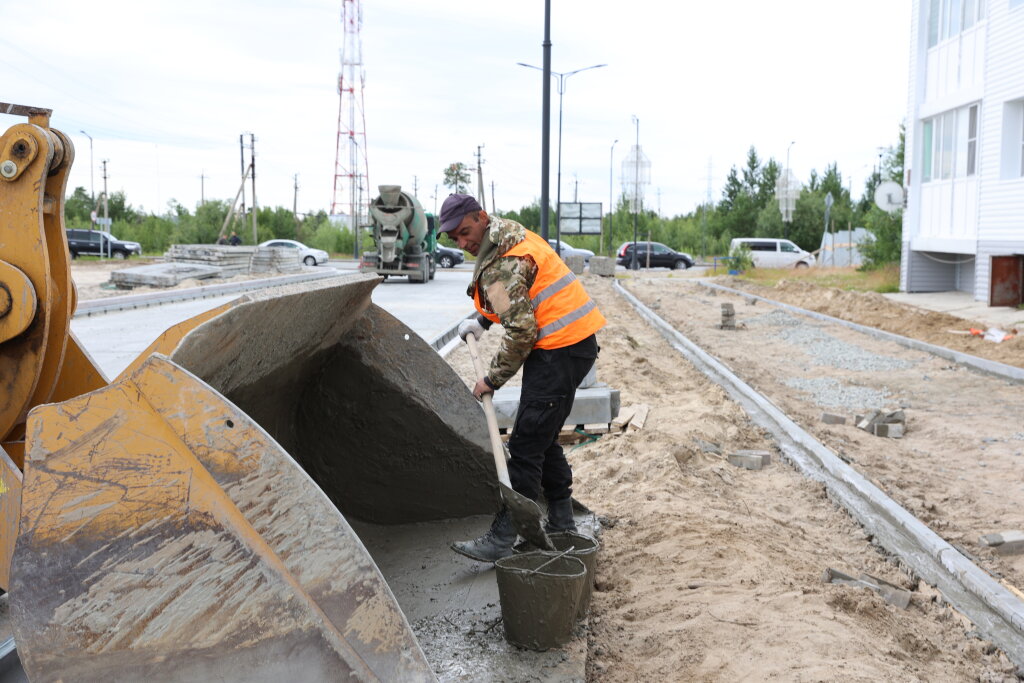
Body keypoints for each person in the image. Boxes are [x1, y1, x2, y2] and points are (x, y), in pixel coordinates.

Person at [439, 193, 605, 563]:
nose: (463, 243)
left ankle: (505, 533)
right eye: (454, 239)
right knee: (542, 435)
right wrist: (482, 321)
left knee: (528, 442)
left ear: (481, 218)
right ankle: (561, 518)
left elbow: (520, 333)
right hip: (570, 345)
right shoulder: (508, 233)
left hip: (559, 350)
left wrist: (491, 380)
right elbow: (516, 296)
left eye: (466, 232)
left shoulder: (505, 260)